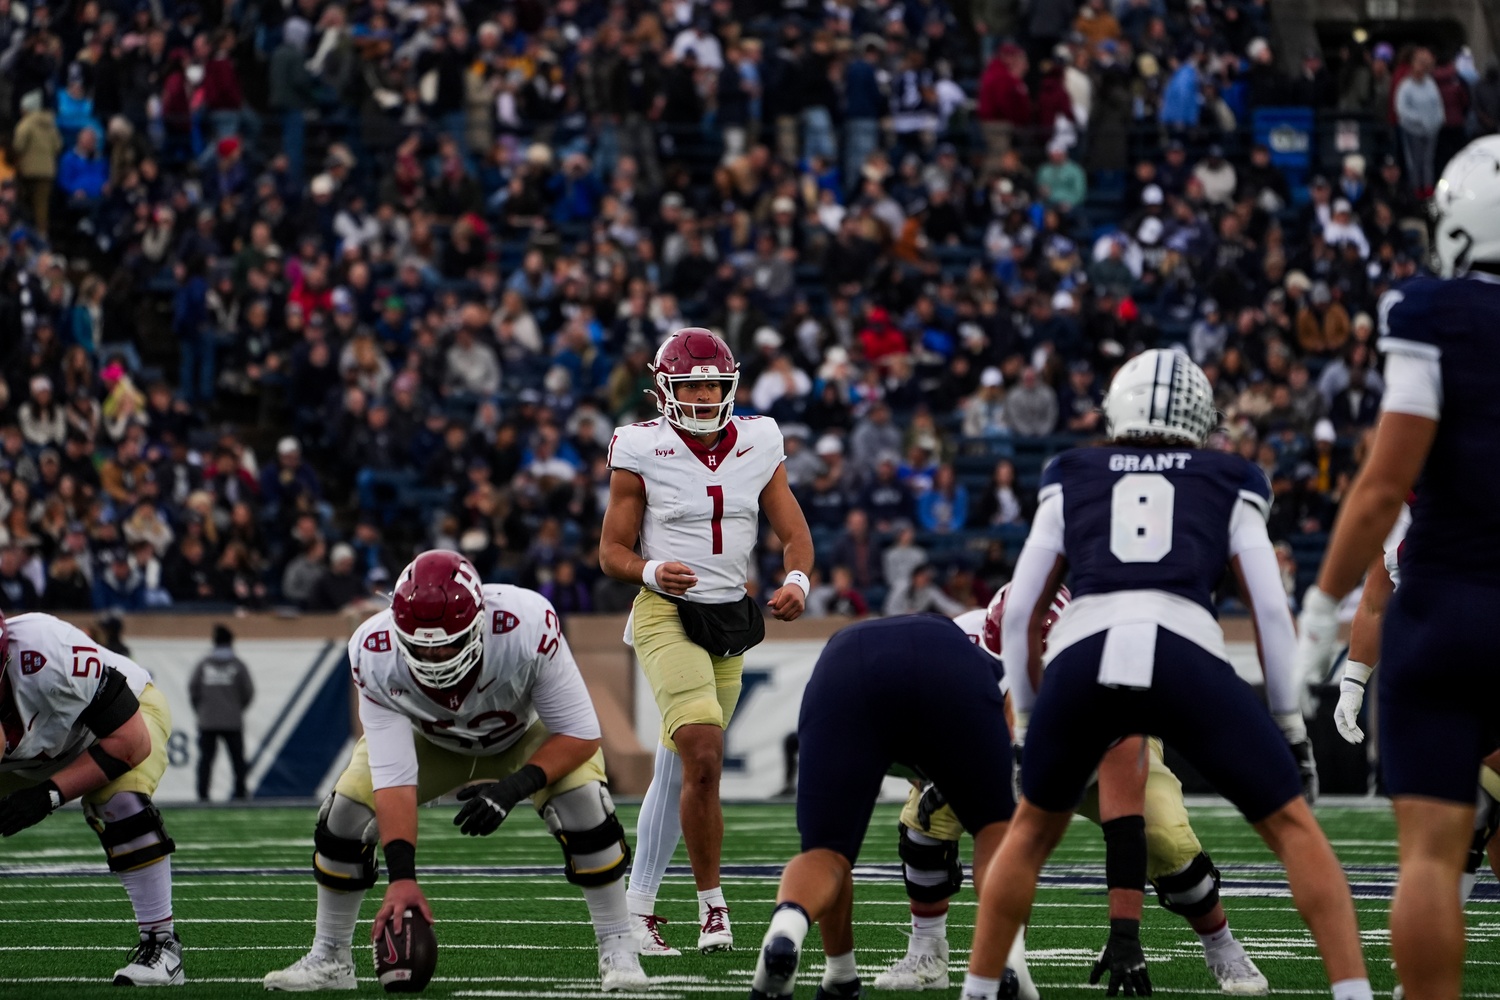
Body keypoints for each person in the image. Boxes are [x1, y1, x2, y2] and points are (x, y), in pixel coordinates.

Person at [962, 349, 1370, 1000]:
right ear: (1202, 417)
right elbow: (1269, 609)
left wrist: (1032, 721)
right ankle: (1355, 993)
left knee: (1031, 832)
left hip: (1084, 653)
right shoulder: (1228, 475)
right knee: (1295, 830)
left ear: (1114, 407)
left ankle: (978, 990)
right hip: (1185, 650)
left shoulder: (1072, 471)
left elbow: (1021, 614)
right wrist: (1291, 721)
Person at [1294, 136, 1500, 1000]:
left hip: (1448, 604)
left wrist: (1320, 612)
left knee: (1430, 858)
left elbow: (1383, 486)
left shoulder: (1431, 312)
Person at [262, 550, 650, 992]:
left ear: (480, 622)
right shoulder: (373, 650)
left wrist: (512, 789)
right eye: (420, 643)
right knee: (345, 815)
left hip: (524, 733)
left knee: (584, 805)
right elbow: (393, 777)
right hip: (432, 740)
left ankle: (618, 946)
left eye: (446, 641)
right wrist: (402, 879)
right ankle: (330, 955)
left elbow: (580, 734)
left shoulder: (524, 623)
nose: (433, 654)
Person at [877, 585, 1268, 996]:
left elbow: (1125, 825)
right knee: (927, 812)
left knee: (1165, 839)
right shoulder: (962, 643)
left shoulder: (1113, 678)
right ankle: (927, 950)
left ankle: (1223, 947)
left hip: (1095, 759)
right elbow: (920, 730)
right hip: (999, 749)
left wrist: (1125, 931)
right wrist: (934, 764)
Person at [600, 328, 813, 957]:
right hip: (666, 610)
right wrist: (648, 570)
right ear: (664, 388)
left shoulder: (759, 439)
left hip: (728, 617)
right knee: (702, 750)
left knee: (680, 771)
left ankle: (636, 910)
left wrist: (797, 579)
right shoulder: (641, 446)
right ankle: (712, 908)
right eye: (689, 383)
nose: (700, 394)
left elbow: (794, 532)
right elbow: (611, 550)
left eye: (712, 384)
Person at [746, 614, 1019, 1000]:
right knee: (995, 831)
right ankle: (1007, 964)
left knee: (827, 853)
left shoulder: (978, 635)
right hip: (950, 669)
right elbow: (1004, 727)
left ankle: (793, 932)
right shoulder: (989, 653)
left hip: (847, 663)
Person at [1298, 495, 1500, 1000]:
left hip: (1469, 648)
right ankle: (1420, 981)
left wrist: (1319, 612)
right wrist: (1353, 680)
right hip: (1430, 667)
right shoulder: (1404, 498)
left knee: (1471, 813)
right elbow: (1374, 596)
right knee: (1449, 828)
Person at [0, 609, 183, 985]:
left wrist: (48, 796)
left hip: (115, 726)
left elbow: (130, 742)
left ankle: (162, 946)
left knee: (118, 801)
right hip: (34, 754)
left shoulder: (46, 651)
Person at [188, 623, 254, 801]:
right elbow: (248, 692)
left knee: (206, 760)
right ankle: (241, 794)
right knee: (237, 760)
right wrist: (235, 709)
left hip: (207, 721)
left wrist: (202, 711)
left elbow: (193, 690)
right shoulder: (238, 665)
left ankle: (202, 795)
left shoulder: (204, 664)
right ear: (231, 643)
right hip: (232, 721)